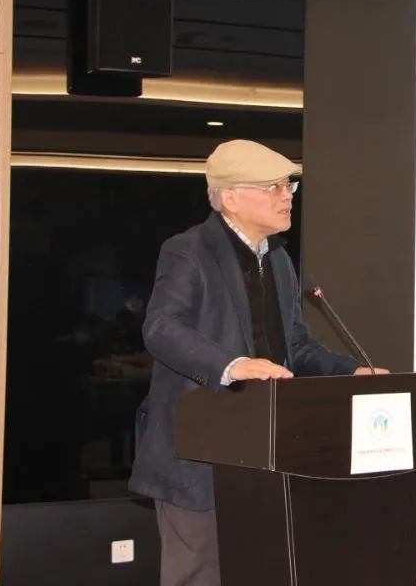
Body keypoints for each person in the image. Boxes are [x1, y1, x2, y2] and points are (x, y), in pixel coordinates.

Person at [129, 139, 388, 586]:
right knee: (199, 573)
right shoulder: (188, 250)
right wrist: (232, 364)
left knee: (261, 566)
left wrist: (350, 372)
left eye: (288, 186)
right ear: (230, 198)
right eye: (273, 187)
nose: (287, 196)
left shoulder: (279, 260)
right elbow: (162, 328)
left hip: (265, 448)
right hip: (199, 447)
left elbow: (296, 346)